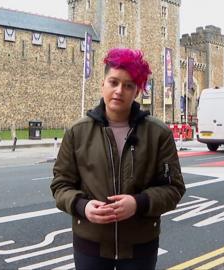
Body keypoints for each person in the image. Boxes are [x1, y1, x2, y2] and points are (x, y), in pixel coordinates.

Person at [50, 48, 185, 270]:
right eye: (113, 82)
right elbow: (60, 185)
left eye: (128, 85)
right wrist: (83, 206)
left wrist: (138, 203)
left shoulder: (158, 133)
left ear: (137, 91)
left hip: (140, 247)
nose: (119, 90)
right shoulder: (77, 132)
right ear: (103, 84)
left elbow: (174, 189)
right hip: (90, 246)